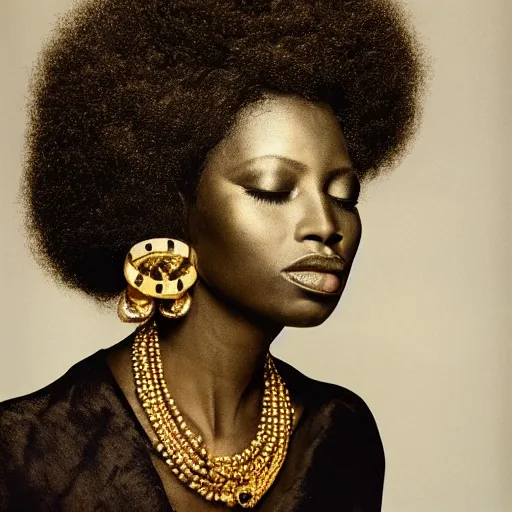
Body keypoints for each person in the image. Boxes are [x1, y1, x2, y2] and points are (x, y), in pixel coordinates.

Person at [0, 0, 425, 510]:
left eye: (343, 196)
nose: (326, 226)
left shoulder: (340, 437)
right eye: (272, 188)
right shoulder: (29, 452)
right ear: (172, 206)